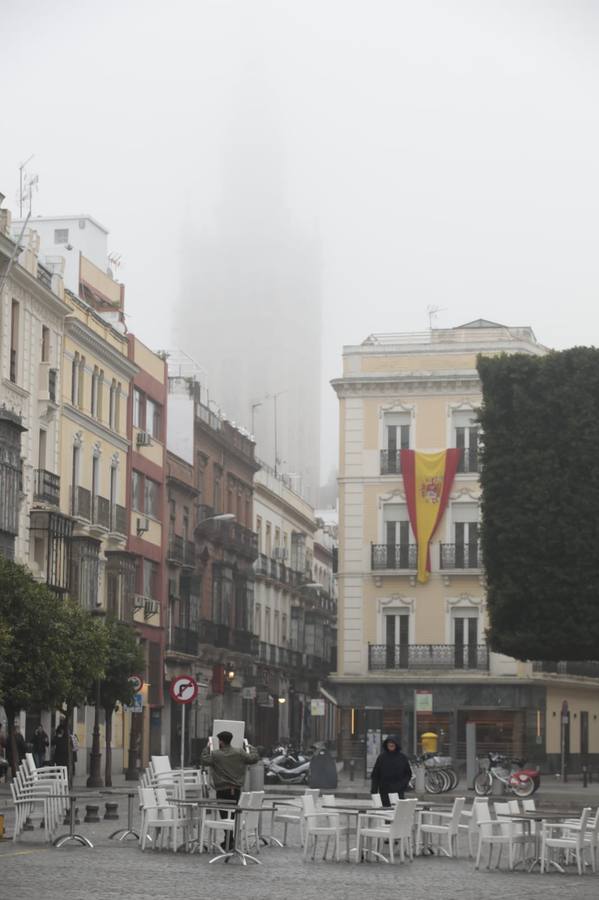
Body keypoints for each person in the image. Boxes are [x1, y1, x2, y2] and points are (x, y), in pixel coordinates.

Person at [200, 731, 259, 849]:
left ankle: (229, 841)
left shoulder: (216, 755)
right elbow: (253, 759)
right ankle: (229, 841)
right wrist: (252, 749)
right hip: (236, 790)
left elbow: (204, 760)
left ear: (221, 741)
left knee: (224, 817)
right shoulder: (240, 752)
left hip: (222, 790)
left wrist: (206, 748)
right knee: (233, 817)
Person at [370, 734, 412, 806]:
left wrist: (402, 785)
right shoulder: (382, 757)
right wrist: (374, 791)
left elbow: (408, 774)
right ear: (386, 744)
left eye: (393, 743)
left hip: (398, 791)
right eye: (389, 743)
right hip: (384, 791)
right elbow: (375, 775)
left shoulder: (402, 758)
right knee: (385, 812)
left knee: (397, 812)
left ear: (396, 744)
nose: (391, 744)